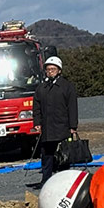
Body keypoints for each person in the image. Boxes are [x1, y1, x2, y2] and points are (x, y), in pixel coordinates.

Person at [33, 56, 79, 185]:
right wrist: (37, 123)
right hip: (47, 128)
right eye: (48, 69)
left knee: (64, 154)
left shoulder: (67, 86)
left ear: (59, 70)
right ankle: (46, 181)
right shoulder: (42, 88)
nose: (50, 71)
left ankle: (64, 180)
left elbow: (72, 107)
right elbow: (36, 107)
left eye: (53, 69)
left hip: (63, 126)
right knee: (46, 155)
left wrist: (73, 126)